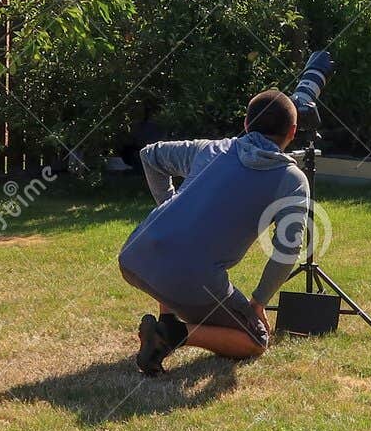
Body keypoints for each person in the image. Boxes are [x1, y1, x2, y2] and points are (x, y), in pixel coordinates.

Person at [118, 89, 311, 373]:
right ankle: (174, 334)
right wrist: (258, 302)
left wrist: (170, 208)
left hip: (134, 258)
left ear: (246, 123)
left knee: (178, 250)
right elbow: (287, 251)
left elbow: (150, 155)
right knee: (256, 340)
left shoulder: (210, 149)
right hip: (191, 281)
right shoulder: (291, 179)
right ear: (293, 132)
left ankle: (167, 321)